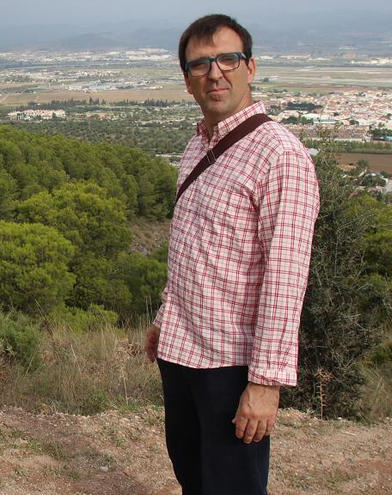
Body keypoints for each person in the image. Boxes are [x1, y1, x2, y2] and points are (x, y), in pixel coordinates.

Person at [144, 14, 320, 495]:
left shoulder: (279, 156)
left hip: (231, 364)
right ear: (187, 81)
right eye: (200, 64)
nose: (214, 72)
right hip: (180, 353)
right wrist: (165, 318)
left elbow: (285, 280)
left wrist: (265, 383)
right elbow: (190, 245)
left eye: (227, 58)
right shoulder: (195, 145)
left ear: (251, 67)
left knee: (232, 487)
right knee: (193, 478)